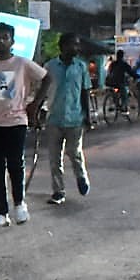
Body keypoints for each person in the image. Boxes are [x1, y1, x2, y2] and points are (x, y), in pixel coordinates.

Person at [0, 22, 46, 228]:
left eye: (5, 37)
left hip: (16, 121)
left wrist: (35, 104)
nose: (1, 41)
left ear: (12, 41)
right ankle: (0, 212)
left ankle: (20, 205)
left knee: (15, 164)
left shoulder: (23, 63)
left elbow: (46, 78)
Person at [29, 32, 92, 205]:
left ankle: (81, 177)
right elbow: (42, 90)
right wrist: (37, 110)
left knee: (74, 152)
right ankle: (58, 191)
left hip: (75, 117)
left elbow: (85, 91)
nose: (76, 48)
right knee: (54, 158)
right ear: (63, 46)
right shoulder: (50, 66)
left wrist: (88, 116)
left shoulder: (81, 67)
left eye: (77, 45)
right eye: (73, 44)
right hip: (54, 117)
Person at [105, 50, 134, 116]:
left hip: (110, 82)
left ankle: (115, 103)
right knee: (124, 94)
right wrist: (136, 76)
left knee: (115, 92)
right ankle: (124, 108)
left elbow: (109, 72)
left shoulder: (113, 63)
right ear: (122, 56)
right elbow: (131, 72)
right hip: (120, 83)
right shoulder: (124, 64)